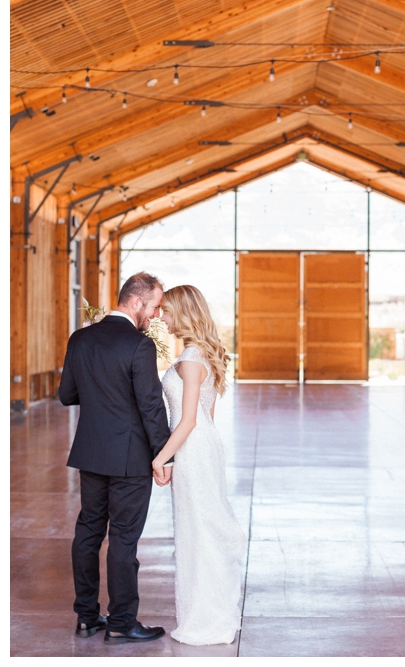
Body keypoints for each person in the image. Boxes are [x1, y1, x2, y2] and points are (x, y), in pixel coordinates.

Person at [59, 272, 171, 643]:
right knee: (124, 538)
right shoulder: (139, 346)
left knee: (88, 532)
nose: (155, 316)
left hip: (90, 453)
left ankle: (87, 618)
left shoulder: (80, 338)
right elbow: (151, 406)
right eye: (154, 307)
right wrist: (164, 456)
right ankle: (122, 621)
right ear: (136, 302)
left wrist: (99, 395)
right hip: (130, 458)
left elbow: (66, 394)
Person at [154, 285, 247, 645]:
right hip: (203, 446)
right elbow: (206, 415)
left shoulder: (192, 358)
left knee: (198, 530)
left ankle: (206, 617)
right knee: (199, 527)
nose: (161, 317)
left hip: (192, 447)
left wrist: (162, 457)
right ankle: (207, 608)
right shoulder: (201, 354)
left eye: (166, 311)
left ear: (183, 312)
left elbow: (189, 419)